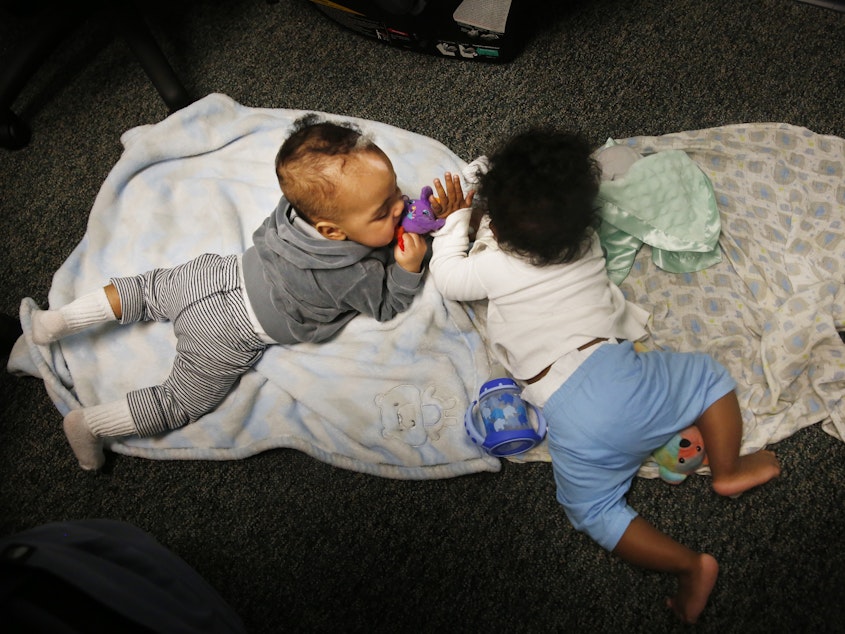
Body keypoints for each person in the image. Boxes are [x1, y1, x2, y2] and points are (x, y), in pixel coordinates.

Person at [427, 129, 781, 624]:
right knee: (708, 376)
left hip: (570, 412)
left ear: (499, 233)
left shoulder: (492, 269)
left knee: (593, 512)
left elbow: (448, 277)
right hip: (622, 374)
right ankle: (727, 472)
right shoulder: (587, 243)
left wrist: (454, 221)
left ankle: (689, 565)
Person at [31, 114, 438, 472]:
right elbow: (387, 306)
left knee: (143, 289)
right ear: (332, 230)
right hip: (232, 333)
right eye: (383, 212)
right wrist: (408, 268)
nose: (401, 207)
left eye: (395, 193)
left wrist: (379, 216)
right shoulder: (357, 274)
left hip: (214, 275)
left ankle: (61, 320)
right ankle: (91, 425)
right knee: (182, 399)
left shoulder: (292, 210)